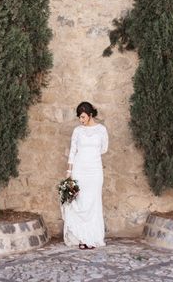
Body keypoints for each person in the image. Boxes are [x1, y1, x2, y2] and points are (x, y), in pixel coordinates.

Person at [63, 101, 108, 249]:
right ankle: (82, 238)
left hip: (95, 171)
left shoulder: (101, 130)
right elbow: (72, 152)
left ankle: (93, 238)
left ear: (90, 115)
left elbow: (104, 149)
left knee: (93, 204)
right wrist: (69, 172)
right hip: (79, 170)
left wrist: (91, 157)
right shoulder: (77, 131)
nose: (81, 120)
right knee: (81, 202)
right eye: (79, 118)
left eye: (83, 117)